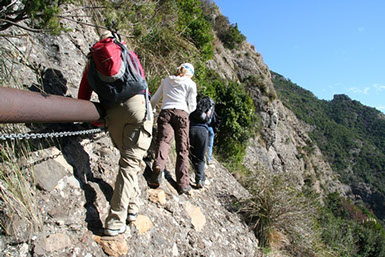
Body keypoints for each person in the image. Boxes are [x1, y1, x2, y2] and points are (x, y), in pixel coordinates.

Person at [78, 31, 153, 236]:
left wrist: (99, 120)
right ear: (116, 40)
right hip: (137, 107)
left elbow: (83, 97)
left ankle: (132, 206)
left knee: (129, 161)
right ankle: (115, 220)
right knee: (130, 163)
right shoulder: (126, 52)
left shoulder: (92, 62)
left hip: (112, 113)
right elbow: (141, 80)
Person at [149, 63, 197, 195]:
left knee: (164, 142)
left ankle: (158, 166)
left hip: (165, 113)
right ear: (190, 74)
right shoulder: (190, 84)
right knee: (182, 149)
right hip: (182, 114)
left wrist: (151, 111)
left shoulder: (166, 80)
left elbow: (154, 99)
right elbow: (192, 106)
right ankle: (183, 184)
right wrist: (185, 110)